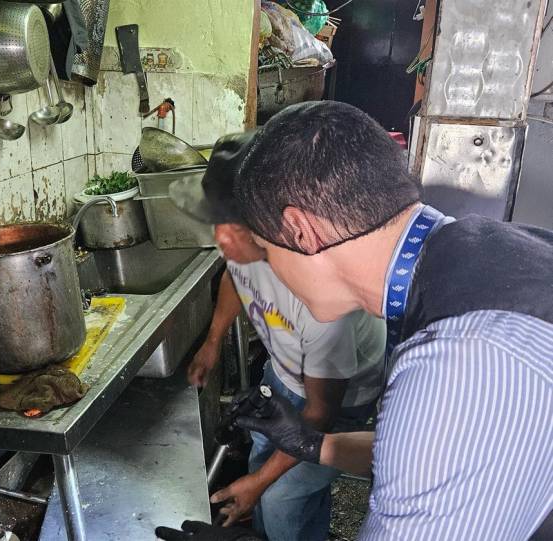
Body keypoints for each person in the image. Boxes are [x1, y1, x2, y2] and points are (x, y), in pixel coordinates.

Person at [225, 101, 552, 540]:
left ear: (300, 230)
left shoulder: (459, 362)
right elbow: (443, 454)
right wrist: (310, 444)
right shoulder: (473, 249)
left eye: (267, 251)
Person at [171, 134, 385, 541]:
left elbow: (320, 414)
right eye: (219, 221)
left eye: (234, 225)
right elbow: (236, 279)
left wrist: (257, 487)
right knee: (264, 470)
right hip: (284, 375)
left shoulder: (320, 293)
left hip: (341, 398)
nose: (222, 239)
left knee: (280, 498)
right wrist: (213, 339)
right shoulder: (242, 244)